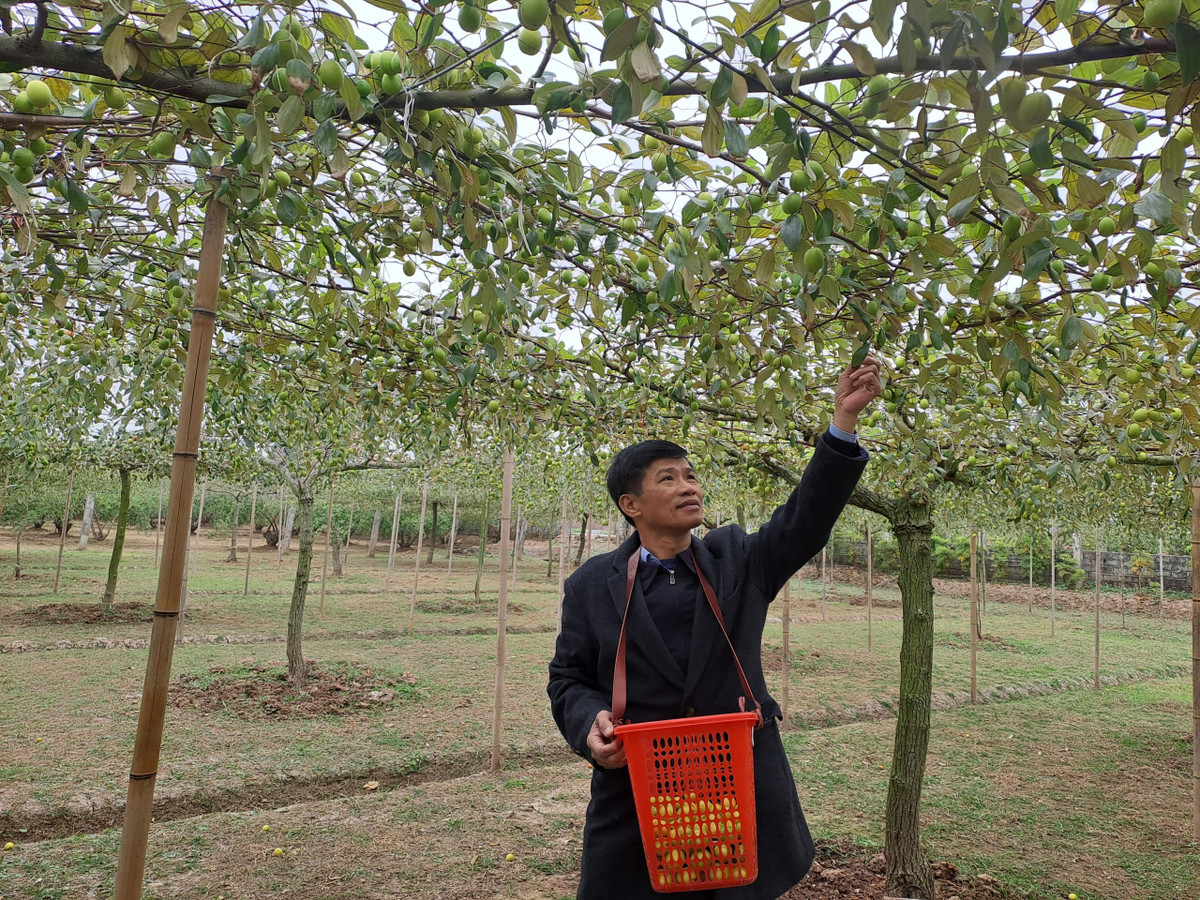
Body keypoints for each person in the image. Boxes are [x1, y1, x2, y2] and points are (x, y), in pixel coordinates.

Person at [547, 355, 883, 899]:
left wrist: (841, 427)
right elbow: (567, 678)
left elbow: (806, 519)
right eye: (668, 479)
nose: (688, 486)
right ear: (630, 505)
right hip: (641, 786)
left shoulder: (738, 562)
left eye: (690, 475)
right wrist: (589, 726)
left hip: (737, 779)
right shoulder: (591, 585)